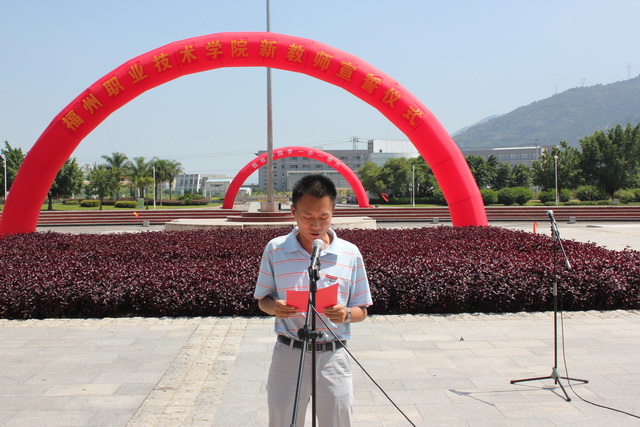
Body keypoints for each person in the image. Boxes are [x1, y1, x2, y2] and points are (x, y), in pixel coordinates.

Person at [255, 174, 372, 426]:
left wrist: (346, 314)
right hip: (289, 353)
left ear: (333, 213)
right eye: (307, 217)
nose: (316, 225)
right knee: (283, 421)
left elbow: (362, 309)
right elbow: (263, 299)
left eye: (323, 217)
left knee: (338, 421)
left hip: (333, 356)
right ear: (293, 212)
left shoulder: (349, 253)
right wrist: (274, 308)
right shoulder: (275, 249)